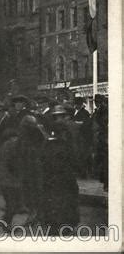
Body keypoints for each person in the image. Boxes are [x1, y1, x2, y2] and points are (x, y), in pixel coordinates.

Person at [40, 105, 79, 235]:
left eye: (60, 117)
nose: (58, 119)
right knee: (62, 201)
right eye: (56, 117)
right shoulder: (62, 138)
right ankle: (62, 225)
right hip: (61, 176)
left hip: (58, 177)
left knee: (58, 201)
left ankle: (58, 225)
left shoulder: (57, 140)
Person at [0, 128, 21, 231]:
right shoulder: (12, 146)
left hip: (3, 178)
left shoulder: (3, 146)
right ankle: (7, 225)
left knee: (10, 203)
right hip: (11, 179)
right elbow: (13, 163)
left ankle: (4, 221)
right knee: (12, 204)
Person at [72, 96, 93, 177]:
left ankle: (84, 172)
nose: (75, 106)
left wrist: (77, 123)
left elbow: (86, 124)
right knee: (80, 154)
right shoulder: (76, 112)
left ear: (79, 104)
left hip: (83, 136)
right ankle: (82, 171)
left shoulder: (85, 113)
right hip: (78, 136)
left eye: (77, 104)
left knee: (83, 154)